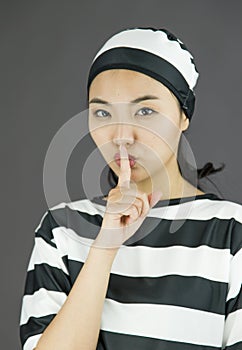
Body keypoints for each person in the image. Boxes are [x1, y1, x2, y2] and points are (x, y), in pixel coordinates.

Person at [19, 27, 242, 350]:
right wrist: (104, 248)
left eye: (145, 111)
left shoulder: (231, 232)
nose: (122, 135)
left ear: (183, 116)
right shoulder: (62, 230)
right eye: (102, 112)